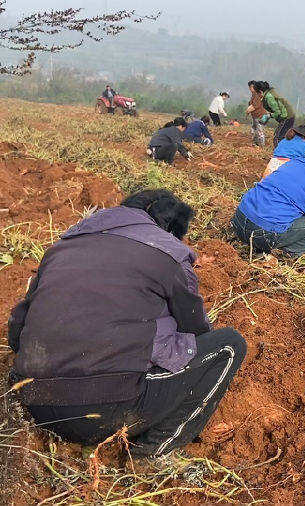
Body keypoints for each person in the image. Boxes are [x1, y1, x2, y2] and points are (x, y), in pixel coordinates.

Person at [7, 189, 246, 459]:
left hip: (34, 400)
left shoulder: (61, 248)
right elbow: (196, 332)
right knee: (228, 346)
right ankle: (154, 452)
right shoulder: (168, 255)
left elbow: (17, 330)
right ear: (168, 227)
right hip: (100, 414)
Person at [232, 145, 305, 257]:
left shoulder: (292, 163)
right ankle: (285, 254)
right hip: (264, 235)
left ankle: (262, 247)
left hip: (238, 221)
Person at [255, 81, 295, 148]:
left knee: (277, 138)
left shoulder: (269, 97)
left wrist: (269, 115)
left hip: (287, 117)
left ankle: (279, 155)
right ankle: (287, 153)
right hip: (289, 116)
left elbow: (278, 112)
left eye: (257, 93)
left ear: (260, 91)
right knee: (285, 137)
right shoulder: (269, 94)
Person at [245, 80, 266, 147]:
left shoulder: (257, 94)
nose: (250, 89)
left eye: (250, 87)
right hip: (256, 116)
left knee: (259, 130)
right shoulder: (254, 94)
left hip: (260, 115)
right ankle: (255, 143)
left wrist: (247, 112)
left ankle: (261, 145)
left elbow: (254, 106)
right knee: (255, 129)